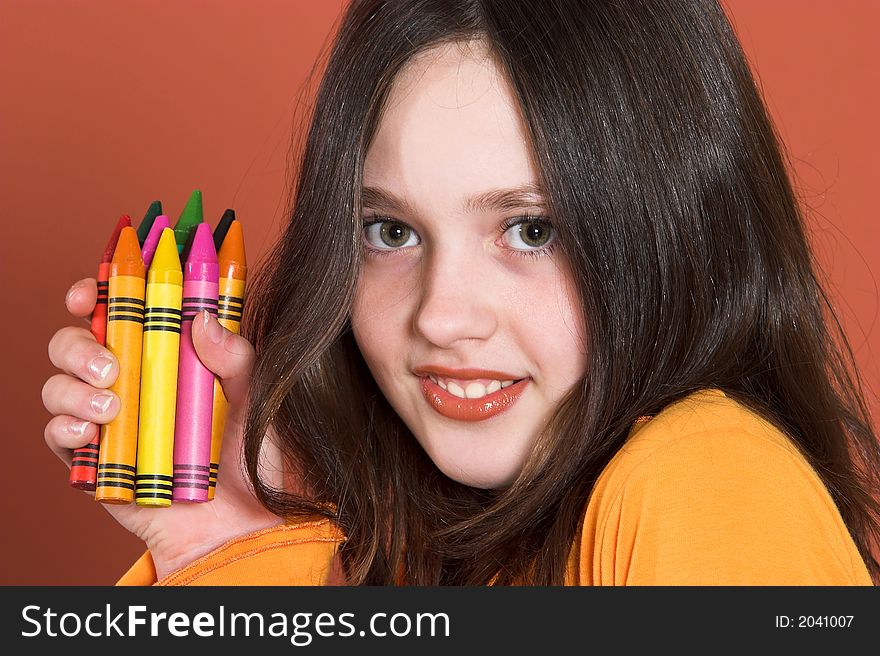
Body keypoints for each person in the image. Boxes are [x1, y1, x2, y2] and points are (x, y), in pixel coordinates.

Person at [42, 0, 879, 586]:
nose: (441, 316)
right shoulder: (448, 540)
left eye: (531, 230)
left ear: (674, 230)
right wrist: (226, 549)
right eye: (391, 232)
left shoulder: (702, 475)